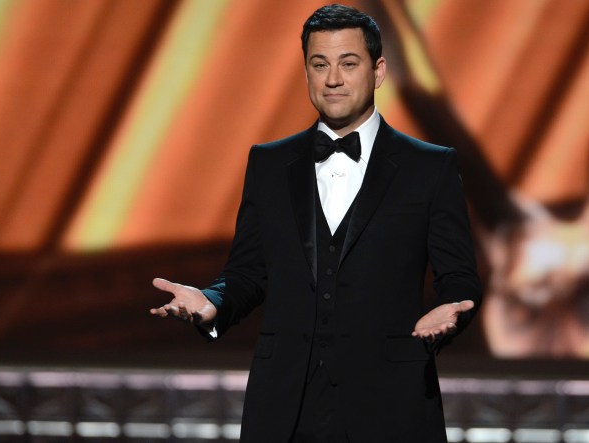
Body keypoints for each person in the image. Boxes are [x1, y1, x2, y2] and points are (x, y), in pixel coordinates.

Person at [150, 4, 482, 442]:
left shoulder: (430, 168)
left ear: (378, 71)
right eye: (319, 64)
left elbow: (459, 278)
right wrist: (213, 303)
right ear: (306, 71)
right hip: (285, 407)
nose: (333, 79)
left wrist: (451, 312)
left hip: (390, 407)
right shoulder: (269, 164)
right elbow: (248, 272)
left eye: (349, 63)